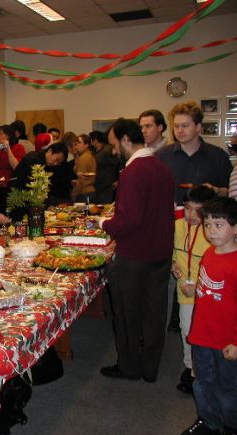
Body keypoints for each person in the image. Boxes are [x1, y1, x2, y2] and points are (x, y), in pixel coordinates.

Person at [99, 118, 175, 383]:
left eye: (115, 144)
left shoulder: (133, 172)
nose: (114, 151)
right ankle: (150, 367)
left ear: (125, 140)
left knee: (128, 313)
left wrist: (103, 223)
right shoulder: (161, 167)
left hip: (135, 255)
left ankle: (130, 366)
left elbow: (128, 221)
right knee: (155, 313)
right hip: (160, 252)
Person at [180, 197, 237, 435]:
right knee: (202, 383)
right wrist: (195, 290)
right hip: (202, 335)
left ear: (235, 228)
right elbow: (211, 291)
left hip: (226, 341)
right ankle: (209, 421)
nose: (211, 231)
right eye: (207, 225)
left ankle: (231, 427)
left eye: (218, 225)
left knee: (228, 389)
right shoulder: (210, 254)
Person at [171, 185, 216, 395]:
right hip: (185, 292)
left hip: (208, 295)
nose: (191, 215)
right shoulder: (177, 226)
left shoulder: (213, 234)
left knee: (210, 333)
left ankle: (206, 371)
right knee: (187, 329)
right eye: (188, 208)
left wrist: (198, 286)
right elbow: (170, 251)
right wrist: (173, 264)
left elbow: (218, 270)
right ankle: (190, 368)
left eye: (198, 211)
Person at [157, 101, 233, 204]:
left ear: (198, 127)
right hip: (171, 217)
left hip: (206, 218)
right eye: (176, 126)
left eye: (185, 126)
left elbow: (229, 192)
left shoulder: (218, 156)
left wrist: (216, 191)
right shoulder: (162, 155)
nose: (179, 130)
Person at [10, 142, 68, 220]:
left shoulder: (49, 166)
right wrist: (49, 204)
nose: (56, 163)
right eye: (56, 160)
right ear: (50, 151)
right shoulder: (32, 159)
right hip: (19, 201)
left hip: (33, 203)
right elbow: (32, 188)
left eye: (58, 163)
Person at [0, 125, 26, 214]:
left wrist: (8, 148)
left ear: (9, 135)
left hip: (11, 186)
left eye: (1, 134)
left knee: (10, 213)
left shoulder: (18, 147)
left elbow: (16, 167)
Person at [90, 130, 120, 204]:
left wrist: (118, 180)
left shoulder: (108, 150)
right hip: (97, 186)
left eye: (91, 140)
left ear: (95, 140)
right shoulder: (94, 151)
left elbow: (118, 163)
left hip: (108, 186)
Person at [71, 134, 96, 203]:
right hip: (88, 192)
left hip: (84, 193)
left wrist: (74, 194)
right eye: (76, 144)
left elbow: (81, 180)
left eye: (79, 143)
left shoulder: (84, 158)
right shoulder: (88, 155)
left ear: (86, 144)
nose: (76, 146)